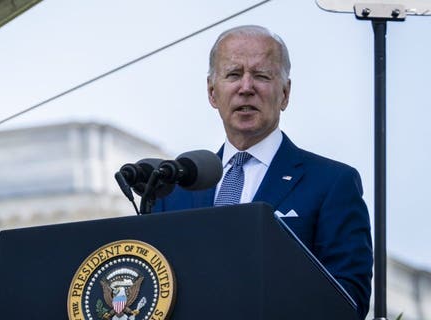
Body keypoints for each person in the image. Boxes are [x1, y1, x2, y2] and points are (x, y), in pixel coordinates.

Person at [152, 25, 373, 319]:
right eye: (233, 74)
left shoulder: (333, 183)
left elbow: (349, 300)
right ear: (212, 92)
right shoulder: (174, 190)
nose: (246, 87)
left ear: (285, 93)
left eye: (261, 75)